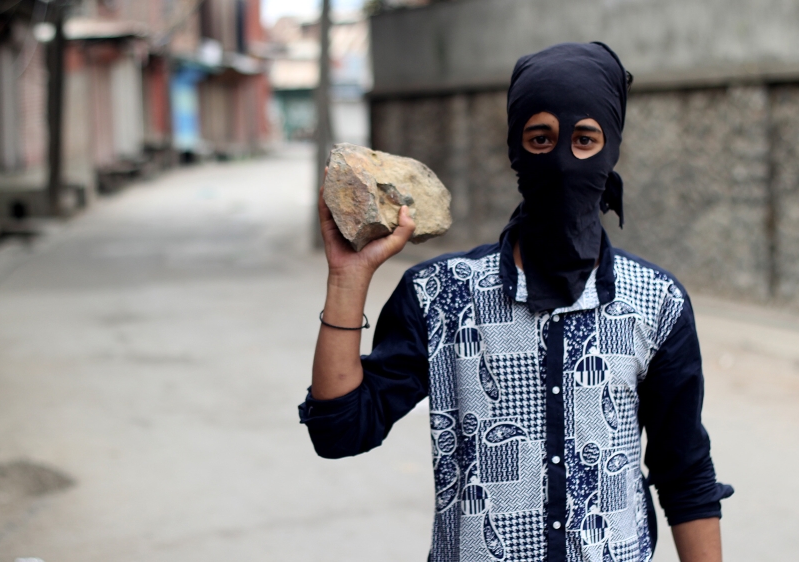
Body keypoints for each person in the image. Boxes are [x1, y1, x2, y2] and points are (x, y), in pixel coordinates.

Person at [299, 42, 733, 562]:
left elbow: (684, 473)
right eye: (540, 138)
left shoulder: (656, 304)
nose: (562, 159)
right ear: (515, 148)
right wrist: (348, 281)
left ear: (612, 146)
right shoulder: (441, 296)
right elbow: (341, 430)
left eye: (585, 139)